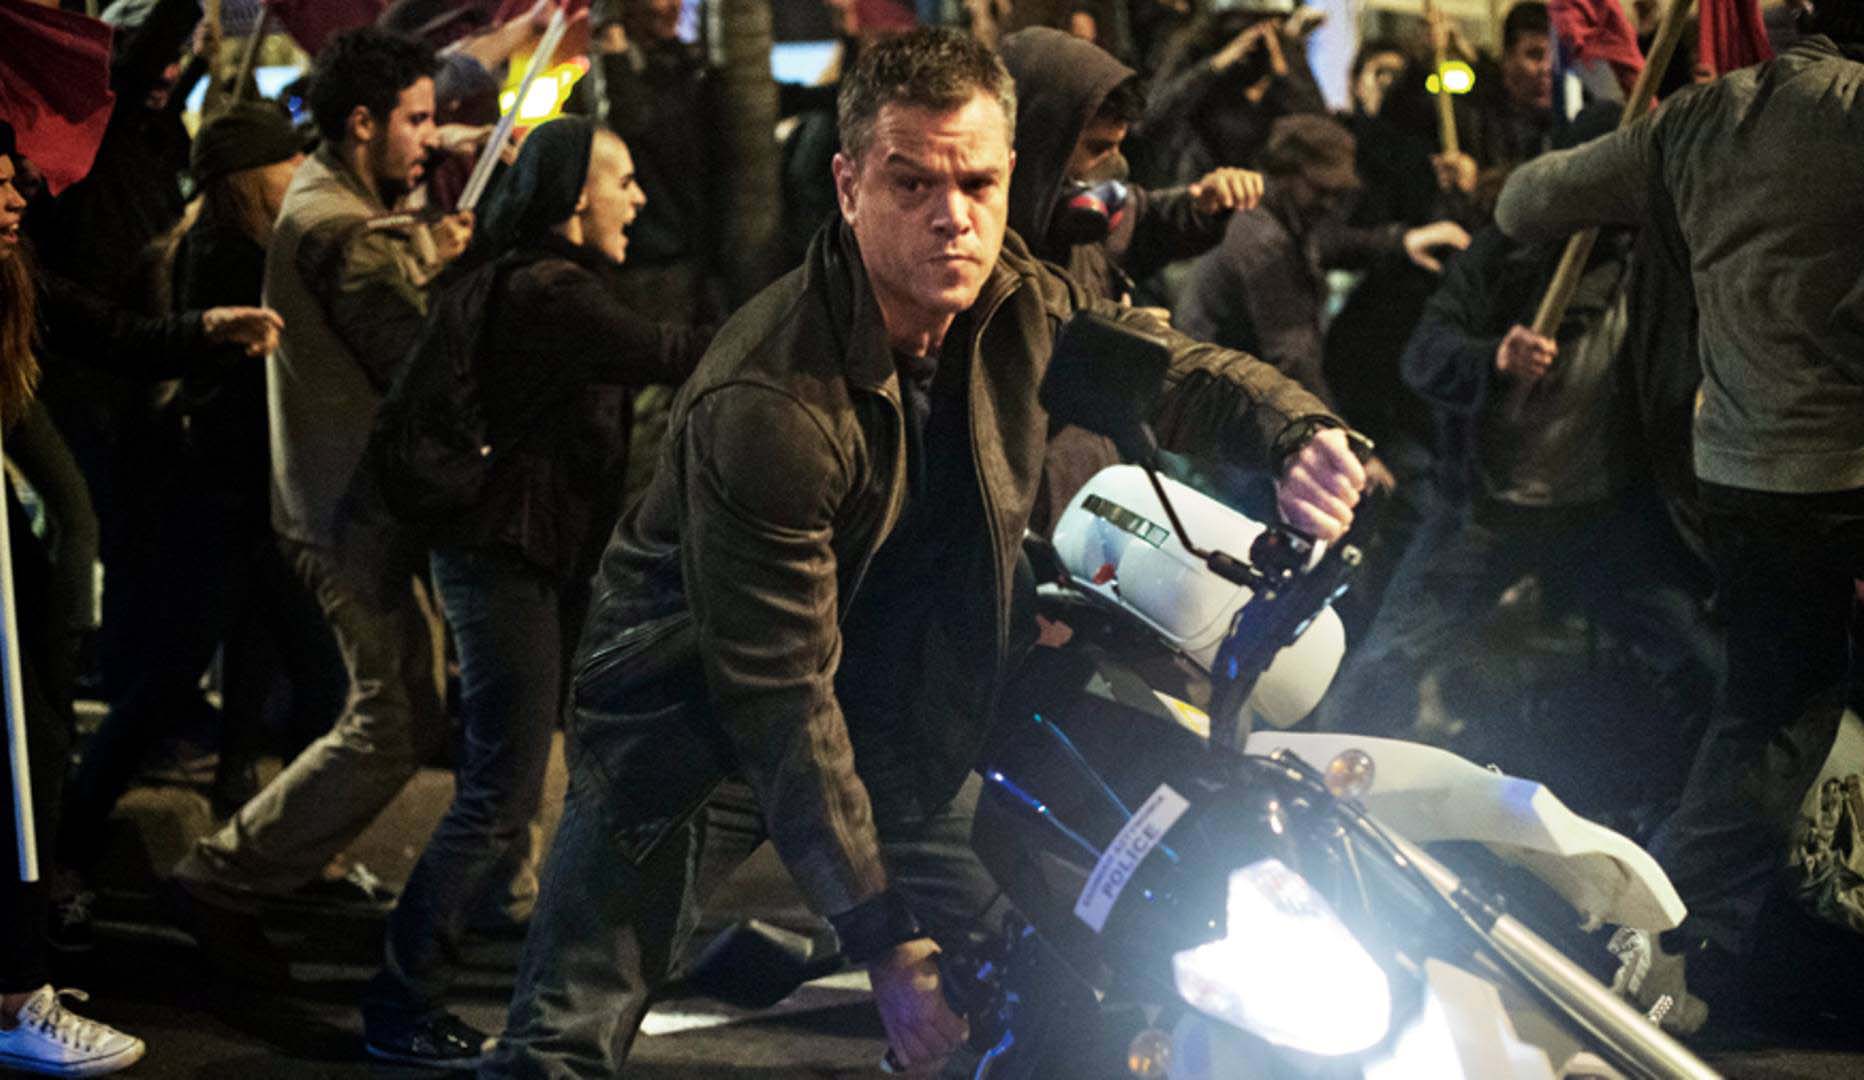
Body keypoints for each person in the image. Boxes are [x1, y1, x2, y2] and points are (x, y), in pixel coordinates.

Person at [481, 27, 1368, 1078]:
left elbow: (1170, 372)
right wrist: (881, 940)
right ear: (849, 185)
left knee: (1032, 981)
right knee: (568, 1032)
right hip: (692, 713)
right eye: (913, 183)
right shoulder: (769, 400)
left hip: (891, 697)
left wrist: (1296, 433)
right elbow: (781, 697)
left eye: (978, 182)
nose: (954, 215)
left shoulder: (1018, 297)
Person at [1490, 0, 1864, 1033]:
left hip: (1742, 481)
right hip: (1846, 469)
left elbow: (1523, 202)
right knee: (1782, 712)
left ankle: (1675, 953)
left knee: (1762, 716)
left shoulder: (1699, 120)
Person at [359, 117, 711, 1067]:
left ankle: (471, 952)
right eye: (622, 181)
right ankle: (399, 1002)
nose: (637, 198)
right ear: (573, 196)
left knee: (513, 783)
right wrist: (805, 318)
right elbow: (675, 350)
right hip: (500, 559)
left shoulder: (535, 282)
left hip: (519, 558)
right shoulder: (551, 293)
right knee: (497, 794)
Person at [168, 27, 470, 984]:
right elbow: (414, 363)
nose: (431, 138)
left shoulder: (332, 202)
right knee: (395, 717)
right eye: (417, 120)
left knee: (401, 707)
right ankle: (224, 878)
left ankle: (260, 871)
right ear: (362, 123)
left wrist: (424, 237)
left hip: (341, 502)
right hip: (346, 511)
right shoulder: (342, 228)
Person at [53, 103, 347, 950]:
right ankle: (77, 851)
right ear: (252, 177)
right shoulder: (229, 253)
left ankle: (256, 863)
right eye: (289, 162)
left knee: (310, 683)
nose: (302, 174)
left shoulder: (240, 245)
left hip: (246, 505)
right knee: (172, 686)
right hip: (224, 507)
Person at [0, 123, 147, 1080]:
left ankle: (19, 986)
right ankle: (17, 997)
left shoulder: (13, 288)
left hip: (19, 573)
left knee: (34, 752)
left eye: (15, 179)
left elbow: (50, 463)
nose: (18, 197)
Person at [998, 26, 1265, 532]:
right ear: (1042, 140)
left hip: (1098, 472)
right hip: (1033, 495)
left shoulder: (1088, 204)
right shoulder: (978, 245)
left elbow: (1143, 217)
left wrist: (1204, 205)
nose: (1113, 167)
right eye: (1097, 148)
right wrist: (1115, 345)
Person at [1175, 114, 1469, 411]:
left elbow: (1329, 245)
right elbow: (1293, 358)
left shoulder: (1278, 216)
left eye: (1337, 193)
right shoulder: (1262, 242)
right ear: (1286, 174)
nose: (1330, 204)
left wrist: (1401, 242)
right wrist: (1337, 432)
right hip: (1214, 405)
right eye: (1321, 190)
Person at [1136, 0, 1329, 184]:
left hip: (1262, 194)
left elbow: (1323, 139)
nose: (1258, 35)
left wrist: (1283, 69)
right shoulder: (1195, 52)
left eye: (1270, 24)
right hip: (1197, 186)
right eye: (1247, 24)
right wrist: (1216, 66)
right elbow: (1152, 120)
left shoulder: (1284, 60)